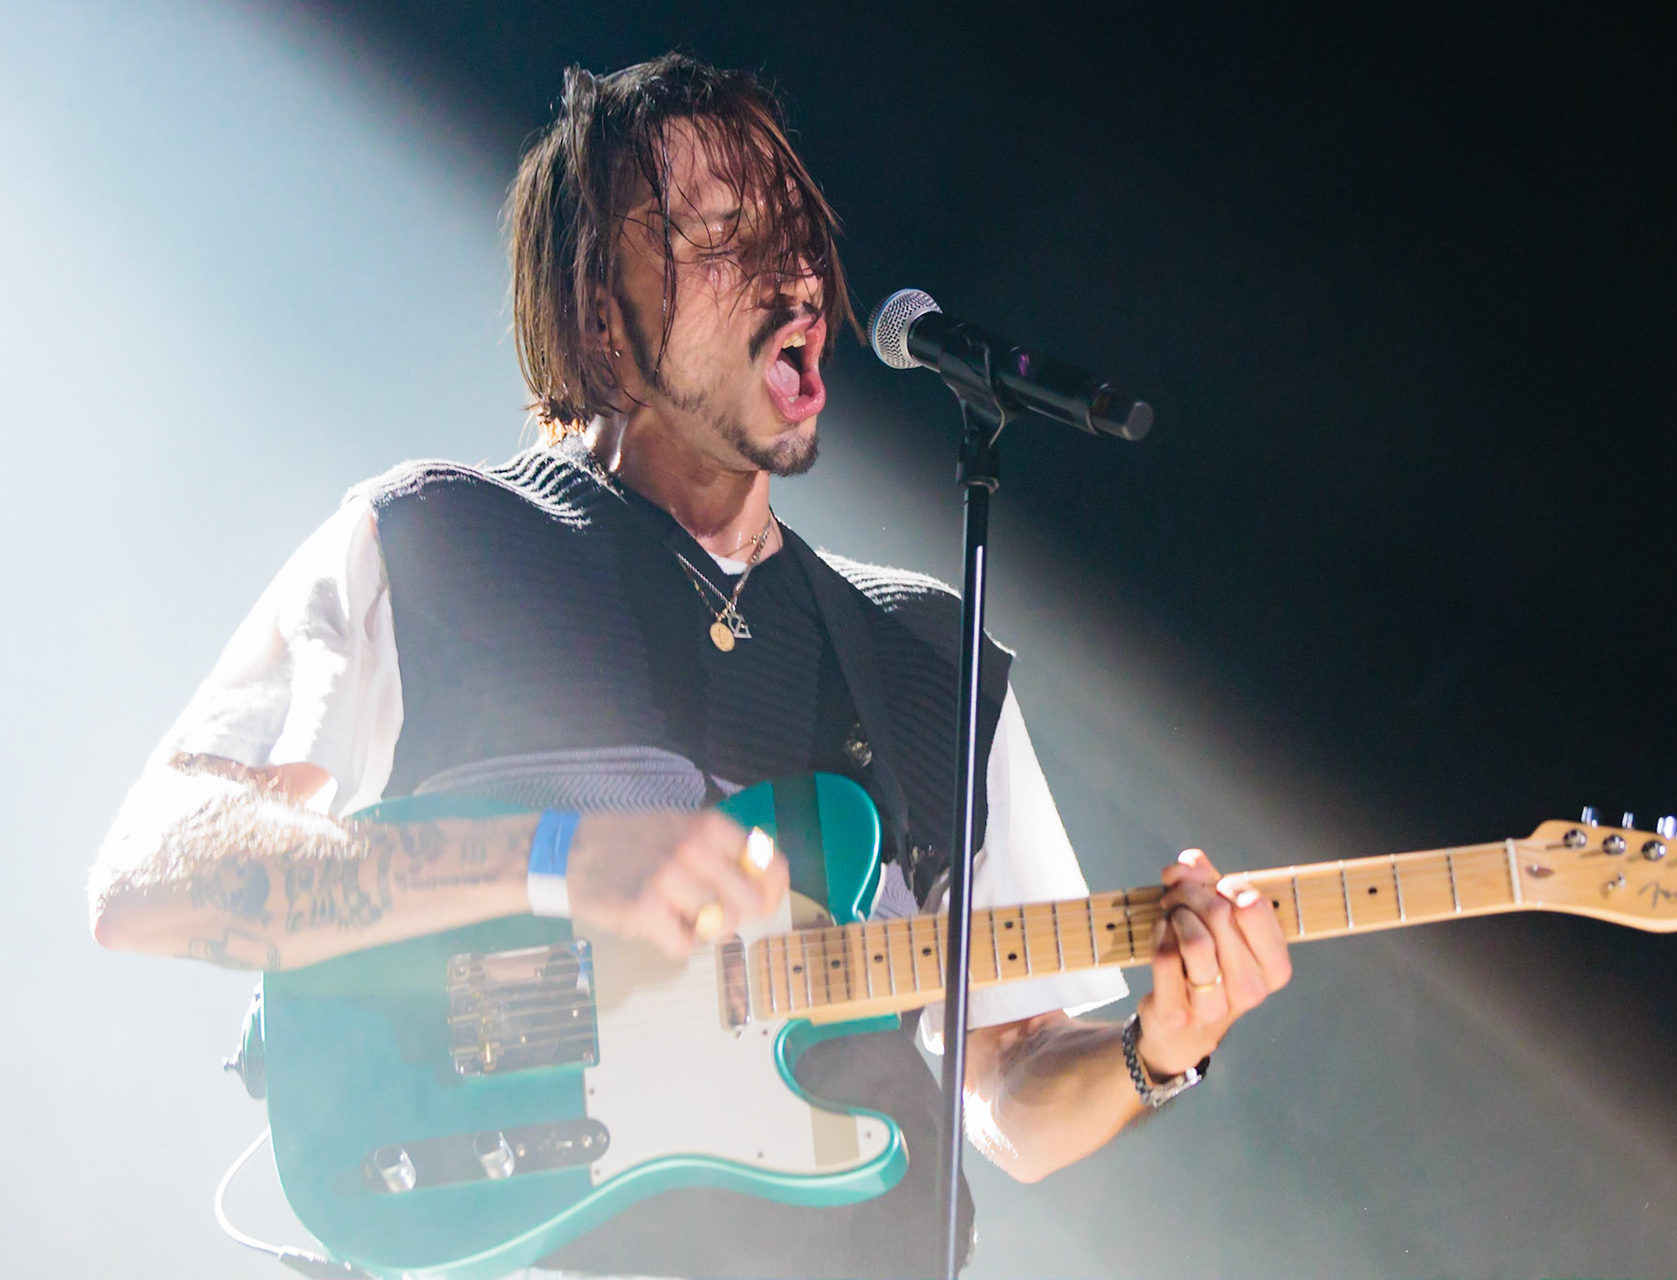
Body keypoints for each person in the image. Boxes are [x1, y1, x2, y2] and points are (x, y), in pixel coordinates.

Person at [87, 54, 1290, 1278]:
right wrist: (552, 856)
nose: (797, 275)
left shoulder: (926, 653)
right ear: (597, 308)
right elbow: (149, 875)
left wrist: (1158, 1046)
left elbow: (1013, 1077)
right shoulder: (433, 543)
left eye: (798, 232)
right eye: (718, 236)